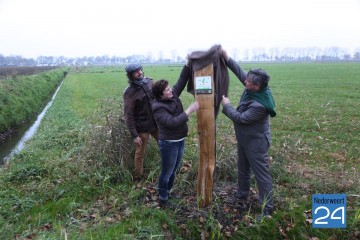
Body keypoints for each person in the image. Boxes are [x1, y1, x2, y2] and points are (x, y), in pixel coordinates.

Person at [220, 48, 276, 221]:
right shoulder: (254, 88)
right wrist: (226, 57)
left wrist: (227, 105)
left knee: (261, 175)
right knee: (242, 167)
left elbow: (241, 118)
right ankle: (242, 194)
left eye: (248, 82)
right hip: (245, 139)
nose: (245, 81)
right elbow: (240, 72)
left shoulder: (260, 105)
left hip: (256, 143)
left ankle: (267, 208)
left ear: (257, 86)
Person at [151, 64, 199, 209]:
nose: (171, 90)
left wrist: (187, 65)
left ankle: (169, 191)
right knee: (167, 171)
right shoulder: (157, 107)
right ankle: (163, 198)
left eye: (170, 87)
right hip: (168, 143)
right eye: (167, 89)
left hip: (179, 139)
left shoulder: (172, 95)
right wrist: (190, 110)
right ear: (160, 94)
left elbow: (182, 81)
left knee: (174, 169)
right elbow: (171, 123)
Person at [123, 63, 158, 180]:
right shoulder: (129, 92)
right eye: (136, 72)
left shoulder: (149, 82)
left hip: (156, 123)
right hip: (142, 128)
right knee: (140, 154)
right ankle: (138, 177)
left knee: (165, 145)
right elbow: (128, 116)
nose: (140, 73)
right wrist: (135, 135)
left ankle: (170, 168)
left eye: (140, 70)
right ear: (130, 75)